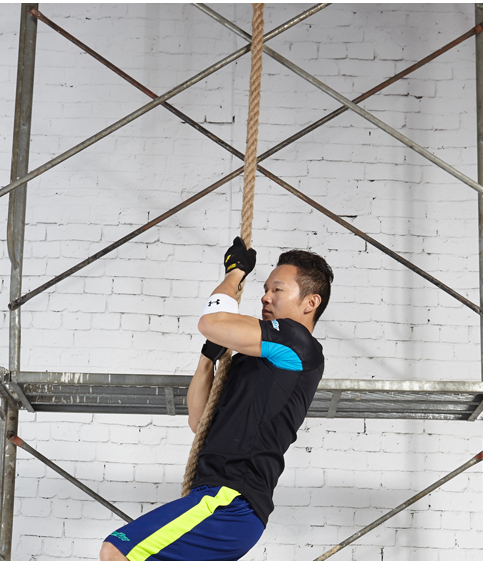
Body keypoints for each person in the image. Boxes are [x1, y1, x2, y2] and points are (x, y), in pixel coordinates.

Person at [100, 238, 334, 561]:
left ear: (310, 303)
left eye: (278, 289)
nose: (265, 296)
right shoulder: (252, 361)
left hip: (230, 500)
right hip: (216, 498)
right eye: (265, 289)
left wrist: (235, 273)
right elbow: (199, 420)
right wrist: (207, 358)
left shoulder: (299, 344)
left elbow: (211, 322)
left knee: (117, 549)